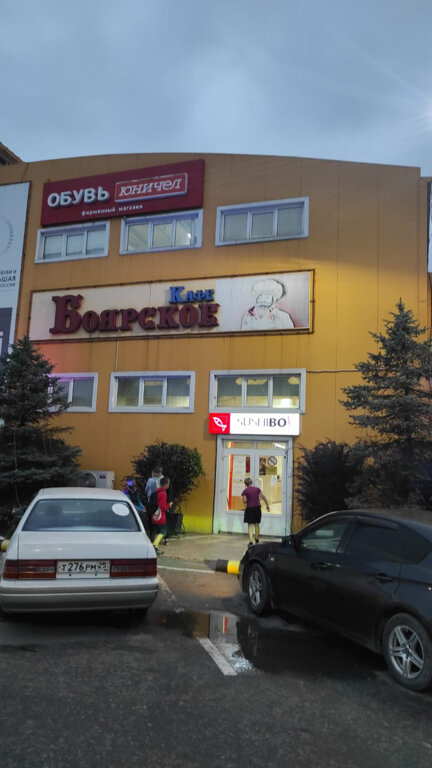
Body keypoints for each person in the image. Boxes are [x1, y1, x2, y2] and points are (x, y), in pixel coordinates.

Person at [241, 477, 270, 546]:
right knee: (257, 524)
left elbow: (244, 501)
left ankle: (251, 541)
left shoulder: (245, 491)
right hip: (257, 508)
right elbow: (263, 496)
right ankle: (257, 539)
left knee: (250, 525)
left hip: (249, 509)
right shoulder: (257, 489)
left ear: (245, 484)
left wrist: (248, 499)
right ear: (251, 482)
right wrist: (267, 505)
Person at [149, 476, 172, 553]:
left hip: (154, 515)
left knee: (155, 531)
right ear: (166, 484)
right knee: (163, 532)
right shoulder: (163, 493)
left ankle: (154, 547)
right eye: (168, 484)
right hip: (160, 516)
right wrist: (169, 505)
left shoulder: (156, 491)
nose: (168, 485)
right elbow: (162, 507)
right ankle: (154, 546)